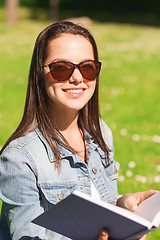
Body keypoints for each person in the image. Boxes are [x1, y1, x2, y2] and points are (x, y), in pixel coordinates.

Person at [0, 21, 157, 240]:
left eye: (87, 68)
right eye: (61, 69)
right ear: (40, 73)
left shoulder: (99, 132)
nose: (77, 78)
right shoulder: (20, 158)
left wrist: (124, 205)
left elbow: (97, 206)